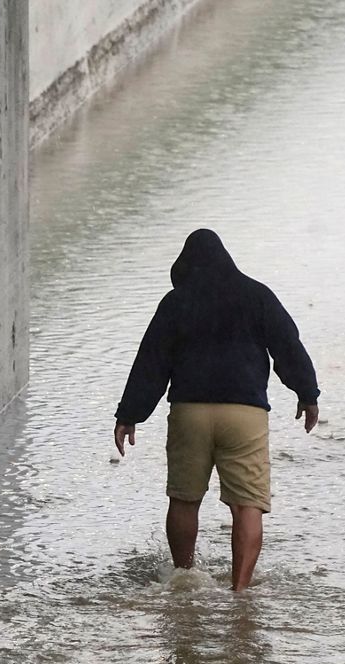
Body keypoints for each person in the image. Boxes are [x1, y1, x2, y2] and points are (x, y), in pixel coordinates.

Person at [113, 228, 321, 591]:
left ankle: (184, 577)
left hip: (190, 413)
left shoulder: (176, 303)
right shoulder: (257, 296)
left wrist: (129, 415)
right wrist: (307, 394)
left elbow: (151, 362)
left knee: (184, 499)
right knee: (247, 505)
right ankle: (240, 591)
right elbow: (288, 346)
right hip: (245, 415)